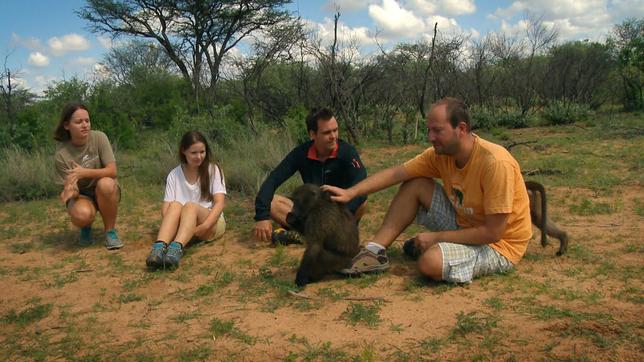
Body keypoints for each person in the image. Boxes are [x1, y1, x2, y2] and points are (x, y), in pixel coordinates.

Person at [323, 97, 532, 284]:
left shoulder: (495, 163)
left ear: (461, 128)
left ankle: (438, 251)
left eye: (437, 130)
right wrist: (351, 192)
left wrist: (436, 238)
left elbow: (493, 232)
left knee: (430, 263)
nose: (431, 137)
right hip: (464, 223)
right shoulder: (440, 155)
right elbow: (398, 173)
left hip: (499, 246)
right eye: (429, 130)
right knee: (416, 183)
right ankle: (374, 252)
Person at [254, 107, 367, 244]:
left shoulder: (347, 152)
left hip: (340, 212)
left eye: (335, 130)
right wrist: (261, 216)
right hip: (312, 212)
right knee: (273, 202)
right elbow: (273, 180)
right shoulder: (301, 153)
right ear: (312, 134)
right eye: (327, 132)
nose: (334, 136)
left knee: (363, 202)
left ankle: (322, 234)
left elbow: (362, 184)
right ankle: (317, 235)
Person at [146, 131, 226, 269]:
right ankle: (159, 248)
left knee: (190, 206)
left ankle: (175, 250)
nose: (199, 156)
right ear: (184, 151)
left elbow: (220, 203)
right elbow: (166, 209)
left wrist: (206, 226)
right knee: (176, 205)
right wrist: (175, 226)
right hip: (185, 226)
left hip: (210, 222)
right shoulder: (174, 174)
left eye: (202, 151)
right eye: (194, 153)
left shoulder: (213, 170)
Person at [54, 102, 124, 249]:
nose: (85, 125)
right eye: (79, 122)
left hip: (105, 190)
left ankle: (110, 231)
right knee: (81, 215)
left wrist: (84, 173)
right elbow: (72, 189)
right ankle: (85, 227)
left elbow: (112, 171)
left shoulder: (99, 137)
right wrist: (70, 190)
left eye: (87, 120)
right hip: (83, 195)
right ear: (67, 125)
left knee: (106, 184)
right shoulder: (62, 155)